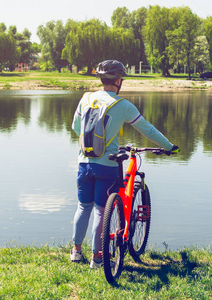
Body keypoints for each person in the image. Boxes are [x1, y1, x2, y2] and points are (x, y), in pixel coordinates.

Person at [70, 60, 179, 268]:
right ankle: (97, 258)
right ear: (119, 81)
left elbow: (76, 127)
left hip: (84, 162)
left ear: (101, 79)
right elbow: (147, 129)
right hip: (107, 165)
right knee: (102, 211)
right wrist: (168, 145)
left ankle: (76, 252)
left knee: (83, 207)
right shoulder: (123, 105)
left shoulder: (86, 99)